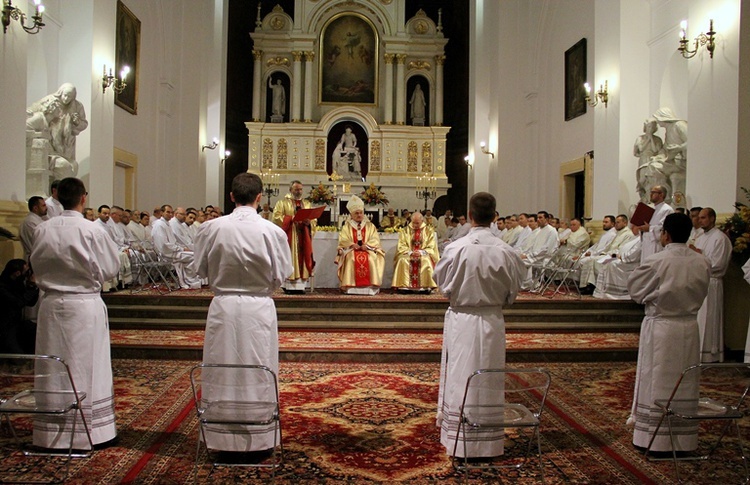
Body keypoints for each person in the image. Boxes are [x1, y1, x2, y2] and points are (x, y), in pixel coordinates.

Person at [193, 172, 292, 452]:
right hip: (258, 306)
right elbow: (282, 274)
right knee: (258, 365)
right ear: (259, 198)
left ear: (232, 196)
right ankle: (258, 436)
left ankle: (220, 436)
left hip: (223, 304)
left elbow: (199, 268)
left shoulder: (211, 228)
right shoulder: (271, 231)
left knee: (221, 365)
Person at [30, 177, 120, 450]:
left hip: (51, 305)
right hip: (83, 305)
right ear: (84, 198)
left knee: (53, 365)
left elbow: (36, 263)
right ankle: (92, 432)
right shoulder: (91, 230)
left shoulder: (43, 230)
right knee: (87, 365)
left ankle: (52, 432)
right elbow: (110, 268)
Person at [434, 192, 526, 458]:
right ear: (495, 217)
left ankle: (460, 440)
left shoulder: (456, 248)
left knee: (461, 375)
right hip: (492, 321)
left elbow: (443, 285)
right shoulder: (506, 251)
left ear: (470, 216)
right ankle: (487, 442)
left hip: (463, 320)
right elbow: (514, 289)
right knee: (489, 376)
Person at [626, 213, 711, 453]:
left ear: (666, 234)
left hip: (662, 325)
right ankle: (683, 440)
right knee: (685, 379)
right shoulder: (701, 261)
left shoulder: (657, 261)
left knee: (656, 377)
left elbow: (636, 291)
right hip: (690, 326)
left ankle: (653, 439)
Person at [691, 208, 732, 363]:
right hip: (700, 282)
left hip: (712, 282)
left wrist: (698, 255)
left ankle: (710, 353)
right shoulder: (700, 237)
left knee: (709, 317)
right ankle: (698, 352)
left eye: (703, 218)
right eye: (699, 218)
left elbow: (718, 264)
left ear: (713, 218)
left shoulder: (720, 238)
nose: (700, 220)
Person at [26, 83, 88, 174]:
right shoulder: (50, 102)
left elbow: (84, 123)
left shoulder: (77, 106)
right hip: (50, 143)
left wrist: (77, 122)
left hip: (65, 144)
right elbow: (31, 110)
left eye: (69, 97)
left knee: (73, 166)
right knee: (64, 167)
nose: (66, 99)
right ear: (60, 92)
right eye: (65, 95)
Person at [273, 180, 317, 292]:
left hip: (303, 234)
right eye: (296, 189)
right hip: (290, 235)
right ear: (290, 190)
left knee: (302, 258)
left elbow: (313, 219)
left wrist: (309, 222)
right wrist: (291, 219)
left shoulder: (306, 203)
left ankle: (300, 286)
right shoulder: (282, 203)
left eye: (300, 189)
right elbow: (276, 217)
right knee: (290, 258)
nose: (299, 191)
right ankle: (288, 286)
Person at [335, 195, 385, 295]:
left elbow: (375, 239)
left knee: (370, 259)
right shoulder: (346, 226)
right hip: (351, 250)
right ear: (351, 215)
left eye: (361, 213)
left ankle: (370, 287)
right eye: (356, 213)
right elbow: (343, 240)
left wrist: (368, 246)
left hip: (368, 250)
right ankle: (350, 287)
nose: (359, 215)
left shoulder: (370, 226)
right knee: (351, 259)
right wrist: (352, 245)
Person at [392, 212, 439, 292]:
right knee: (402, 260)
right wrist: (410, 252)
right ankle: (404, 287)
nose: (415, 225)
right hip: (408, 253)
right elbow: (401, 245)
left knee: (426, 261)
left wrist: (420, 252)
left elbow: (431, 246)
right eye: (413, 222)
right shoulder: (405, 230)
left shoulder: (428, 231)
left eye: (417, 223)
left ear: (422, 221)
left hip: (424, 254)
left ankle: (425, 287)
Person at [0, 259, 39, 354]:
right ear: (17, 273)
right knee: (17, 356)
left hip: (16, 324)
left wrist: (32, 286)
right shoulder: (2, 287)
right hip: (4, 327)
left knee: (35, 331)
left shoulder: (17, 283)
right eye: (25, 271)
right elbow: (18, 303)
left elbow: (30, 303)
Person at [634, 185, 674, 263]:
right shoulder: (650, 208)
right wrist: (641, 228)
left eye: (653, 192)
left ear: (661, 194)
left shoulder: (667, 209)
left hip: (656, 245)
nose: (650, 194)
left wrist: (649, 228)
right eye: (650, 192)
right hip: (646, 243)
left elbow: (664, 229)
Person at [634, 118, 665, 203]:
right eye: (649, 127)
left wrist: (651, 138)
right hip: (643, 159)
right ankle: (643, 196)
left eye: (652, 127)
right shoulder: (640, 138)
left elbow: (656, 150)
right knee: (642, 180)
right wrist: (648, 138)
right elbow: (640, 149)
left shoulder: (657, 139)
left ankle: (649, 198)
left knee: (651, 180)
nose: (650, 129)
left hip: (653, 160)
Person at [19, 196, 47, 261]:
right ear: (35, 208)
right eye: (43, 205)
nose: (46, 208)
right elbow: (39, 241)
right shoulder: (30, 222)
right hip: (34, 258)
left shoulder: (38, 220)